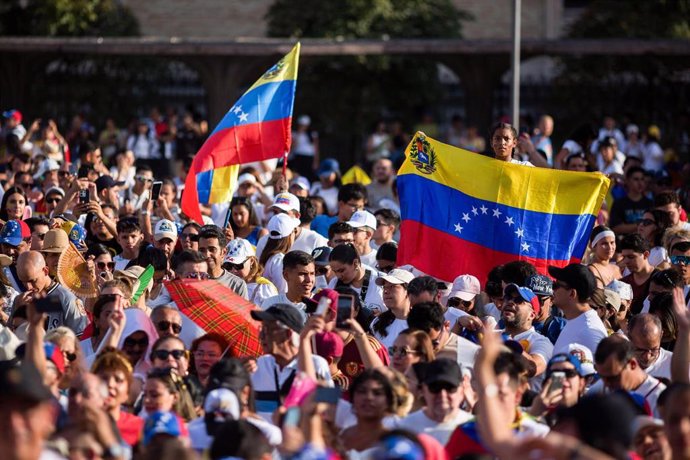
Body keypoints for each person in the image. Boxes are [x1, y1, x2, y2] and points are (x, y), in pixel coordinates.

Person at [249, 304, 331, 420]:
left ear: (288, 334)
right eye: (261, 329)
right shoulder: (259, 364)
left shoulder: (318, 364)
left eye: (268, 329)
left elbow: (331, 410)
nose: (261, 336)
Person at [396, 358, 472, 445]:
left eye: (450, 388)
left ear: (462, 391)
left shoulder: (473, 429)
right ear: (424, 390)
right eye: (435, 387)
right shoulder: (404, 428)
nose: (442, 395)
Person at [589, 335, 666, 417]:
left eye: (613, 378)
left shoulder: (660, 397)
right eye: (602, 377)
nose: (607, 384)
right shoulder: (598, 389)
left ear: (632, 364)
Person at [14, 250, 88, 335]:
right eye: (23, 281)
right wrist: (17, 311)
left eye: (32, 281)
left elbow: (81, 337)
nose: (28, 287)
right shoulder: (20, 300)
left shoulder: (66, 299)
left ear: (45, 271)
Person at [501, 284, 554, 388]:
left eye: (519, 300)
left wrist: (509, 344)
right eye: (508, 298)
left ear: (532, 315)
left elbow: (533, 368)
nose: (510, 302)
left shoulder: (541, 342)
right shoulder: (494, 334)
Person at [549, 263, 608, 355]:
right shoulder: (576, 320)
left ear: (572, 293)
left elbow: (599, 368)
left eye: (556, 286)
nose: (552, 290)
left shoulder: (589, 331)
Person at [91, 349, 145, 447]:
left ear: (127, 392)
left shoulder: (140, 428)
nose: (110, 384)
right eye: (103, 378)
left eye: (118, 380)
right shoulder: (79, 425)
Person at [406, 301, 480, 370]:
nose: (430, 350)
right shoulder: (410, 353)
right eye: (421, 346)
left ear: (446, 326)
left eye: (434, 343)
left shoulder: (472, 354)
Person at [340, 369, 396, 456]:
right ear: (352, 397)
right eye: (362, 391)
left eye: (377, 393)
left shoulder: (394, 442)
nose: (368, 397)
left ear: (388, 401)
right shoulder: (342, 436)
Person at [327, 243, 384, 314]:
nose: (338, 276)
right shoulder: (334, 283)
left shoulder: (381, 281)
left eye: (341, 270)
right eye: (335, 272)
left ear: (355, 263)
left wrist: (382, 317)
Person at [223, 238, 277, 306]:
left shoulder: (264, 289)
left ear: (251, 261)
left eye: (238, 265)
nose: (233, 271)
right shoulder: (222, 284)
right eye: (228, 265)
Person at [198, 225, 248, 297]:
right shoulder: (192, 282)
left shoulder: (237, 285)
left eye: (212, 249)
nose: (207, 255)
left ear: (223, 252)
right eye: (202, 250)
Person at [370, 269, 415, 348]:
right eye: (384, 287)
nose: (386, 291)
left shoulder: (421, 323)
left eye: (392, 286)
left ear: (408, 291)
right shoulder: (378, 322)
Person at [259, 213, 301, 292]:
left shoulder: (268, 254)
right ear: (289, 236)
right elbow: (282, 292)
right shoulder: (279, 260)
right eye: (294, 231)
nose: (295, 235)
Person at [629, 313, 673, 381]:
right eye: (640, 350)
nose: (647, 356)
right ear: (629, 337)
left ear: (661, 335)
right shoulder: (617, 360)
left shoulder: (677, 366)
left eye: (654, 349)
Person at [610, 166, 653, 234]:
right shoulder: (619, 204)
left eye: (642, 179)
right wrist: (642, 224)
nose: (640, 183)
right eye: (636, 179)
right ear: (627, 181)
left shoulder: (650, 204)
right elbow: (616, 227)